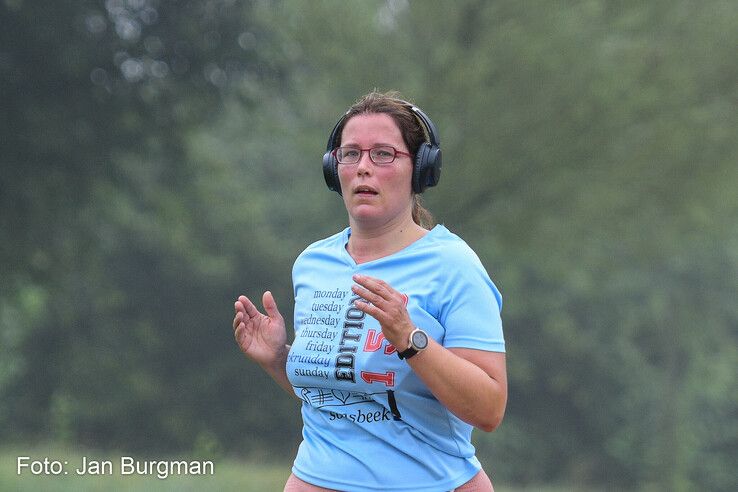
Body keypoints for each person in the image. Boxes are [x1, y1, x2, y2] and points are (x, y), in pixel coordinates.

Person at [233, 91, 507, 492]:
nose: (363, 168)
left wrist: (409, 339)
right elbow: (345, 398)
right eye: (350, 154)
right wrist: (277, 359)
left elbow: (489, 409)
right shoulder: (313, 264)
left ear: (420, 170)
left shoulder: (454, 266)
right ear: (334, 168)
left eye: (383, 154)